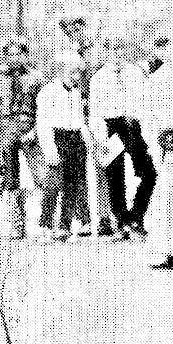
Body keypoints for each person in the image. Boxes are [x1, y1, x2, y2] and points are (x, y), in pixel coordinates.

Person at [89, 36, 157, 240]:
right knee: (115, 176)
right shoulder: (98, 78)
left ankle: (136, 216)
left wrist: (146, 131)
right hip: (110, 126)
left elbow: (145, 103)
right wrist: (102, 139)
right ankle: (121, 221)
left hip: (133, 125)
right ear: (106, 52)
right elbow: (95, 112)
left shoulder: (136, 74)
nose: (117, 55)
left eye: (120, 50)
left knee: (149, 172)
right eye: (112, 50)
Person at [58, 12, 114, 236]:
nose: (76, 36)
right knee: (79, 168)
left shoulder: (98, 55)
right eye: (71, 33)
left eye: (78, 30)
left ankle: (105, 216)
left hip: (101, 114)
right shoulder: (71, 57)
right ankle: (87, 218)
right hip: (78, 117)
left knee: (105, 164)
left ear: (86, 29)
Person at [0, 36, 45, 239]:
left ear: (25, 55)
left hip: (29, 128)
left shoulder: (36, 78)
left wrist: (36, 130)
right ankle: (17, 225)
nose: (15, 58)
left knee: (41, 176)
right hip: (6, 129)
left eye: (19, 54)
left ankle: (44, 222)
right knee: (11, 179)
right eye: (10, 54)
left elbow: (43, 108)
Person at [35, 52, 93, 240]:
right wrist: (50, 150)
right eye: (72, 72)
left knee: (73, 185)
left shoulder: (76, 93)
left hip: (75, 139)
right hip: (57, 138)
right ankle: (45, 224)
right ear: (61, 71)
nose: (76, 76)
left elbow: (80, 121)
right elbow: (42, 123)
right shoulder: (47, 92)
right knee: (52, 184)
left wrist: (87, 142)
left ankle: (65, 225)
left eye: (78, 72)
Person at [141, 35, 173, 269]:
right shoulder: (156, 81)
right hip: (171, 147)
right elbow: (148, 118)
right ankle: (171, 249)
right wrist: (159, 142)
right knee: (169, 198)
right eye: (161, 46)